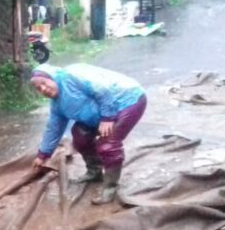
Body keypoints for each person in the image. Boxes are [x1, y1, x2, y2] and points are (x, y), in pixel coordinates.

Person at [30, 63, 147, 205]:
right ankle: (95, 172)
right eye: (38, 88)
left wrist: (107, 117)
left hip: (127, 101)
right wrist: (43, 155)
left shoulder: (71, 77)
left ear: (52, 78)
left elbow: (102, 90)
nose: (43, 89)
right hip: (101, 112)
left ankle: (110, 188)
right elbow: (53, 129)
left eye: (44, 83)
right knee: (80, 136)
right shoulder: (57, 105)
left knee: (107, 144)